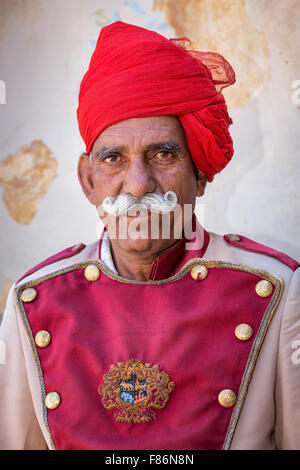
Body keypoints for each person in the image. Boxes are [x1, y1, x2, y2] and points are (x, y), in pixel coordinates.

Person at [0, 21, 299, 451]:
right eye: (114, 159)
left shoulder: (277, 289)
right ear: (88, 182)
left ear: (200, 173)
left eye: (163, 154)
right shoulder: (34, 299)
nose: (138, 184)